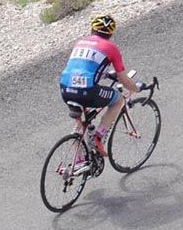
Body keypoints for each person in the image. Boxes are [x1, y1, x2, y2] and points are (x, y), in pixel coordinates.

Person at [58, 15, 138, 157]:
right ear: (110, 34)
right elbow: (124, 80)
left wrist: (106, 74)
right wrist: (136, 88)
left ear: (92, 30)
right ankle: (98, 137)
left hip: (65, 88)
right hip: (87, 91)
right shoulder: (111, 48)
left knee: (80, 124)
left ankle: (79, 160)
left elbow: (85, 68)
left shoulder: (80, 43)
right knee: (118, 99)